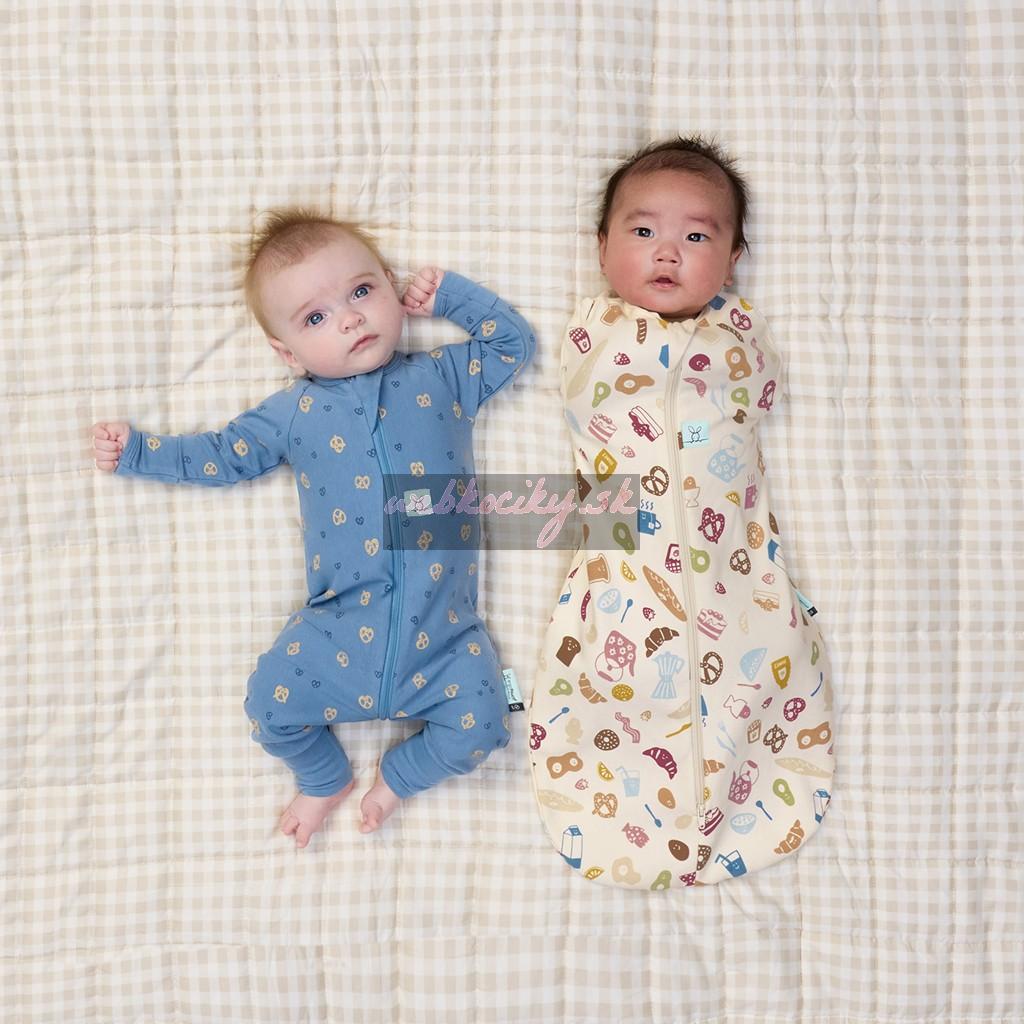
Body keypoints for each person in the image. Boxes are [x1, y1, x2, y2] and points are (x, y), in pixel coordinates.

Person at [93, 209, 535, 848]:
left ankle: (400, 776)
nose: (350, 318)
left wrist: (450, 297)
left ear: (391, 289)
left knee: (484, 726)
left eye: (362, 291)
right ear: (287, 353)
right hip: (337, 630)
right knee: (269, 705)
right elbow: (221, 455)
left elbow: (511, 346)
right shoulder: (292, 413)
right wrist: (139, 451)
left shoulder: (441, 377)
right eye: (316, 318)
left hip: (445, 638)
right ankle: (324, 778)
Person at [527, 138, 835, 889]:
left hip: (736, 567)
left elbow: (762, 393)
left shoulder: (737, 340)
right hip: (622, 561)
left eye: (697, 236)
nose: (667, 252)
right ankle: (624, 812)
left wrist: (721, 328)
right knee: (615, 678)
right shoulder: (593, 335)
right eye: (642, 231)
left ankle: (747, 800)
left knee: (755, 668)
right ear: (602, 248)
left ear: (732, 262)